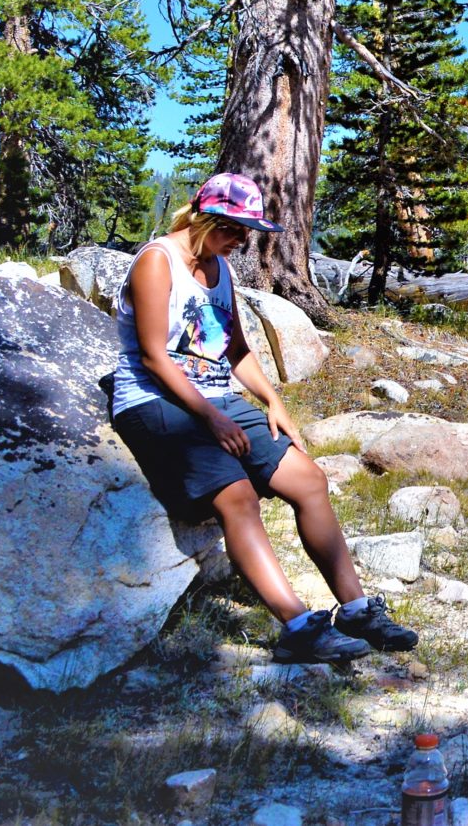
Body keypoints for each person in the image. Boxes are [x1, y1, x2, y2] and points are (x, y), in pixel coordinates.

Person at [109, 172, 417, 663]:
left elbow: (233, 349)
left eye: (247, 231)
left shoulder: (220, 269)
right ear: (205, 217)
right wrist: (211, 418)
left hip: (215, 398)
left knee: (309, 480)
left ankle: (356, 609)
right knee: (238, 496)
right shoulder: (157, 261)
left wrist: (273, 401)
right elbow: (152, 356)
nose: (242, 240)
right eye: (234, 228)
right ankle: (298, 628)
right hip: (154, 400)